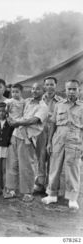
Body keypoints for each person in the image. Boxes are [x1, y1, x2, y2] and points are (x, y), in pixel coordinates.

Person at [42, 79, 83, 210]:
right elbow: (52, 124)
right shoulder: (59, 105)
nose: (71, 91)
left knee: (73, 169)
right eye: (69, 89)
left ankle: (72, 198)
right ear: (65, 90)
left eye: (74, 89)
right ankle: (52, 194)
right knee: (54, 167)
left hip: (74, 140)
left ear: (79, 90)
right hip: (58, 139)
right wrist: (49, 142)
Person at [5, 83, 48, 202]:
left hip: (27, 138)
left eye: (38, 89)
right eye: (33, 88)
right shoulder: (27, 101)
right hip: (16, 134)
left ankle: (27, 192)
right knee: (12, 163)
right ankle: (11, 190)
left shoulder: (43, 107)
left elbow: (34, 120)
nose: (34, 91)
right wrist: (9, 114)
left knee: (26, 165)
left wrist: (18, 123)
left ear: (43, 90)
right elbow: (13, 107)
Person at [34, 76, 64, 193]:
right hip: (40, 132)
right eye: (47, 84)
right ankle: (39, 183)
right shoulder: (39, 99)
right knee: (40, 157)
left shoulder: (60, 101)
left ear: (56, 86)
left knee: (53, 158)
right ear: (44, 86)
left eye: (52, 84)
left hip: (55, 133)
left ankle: (51, 186)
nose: (49, 87)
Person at [0, 103, 14, 196]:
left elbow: (11, 136)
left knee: (5, 169)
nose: (1, 113)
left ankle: (6, 188)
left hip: (6, 147)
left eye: (3, 111)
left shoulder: (10, 123)